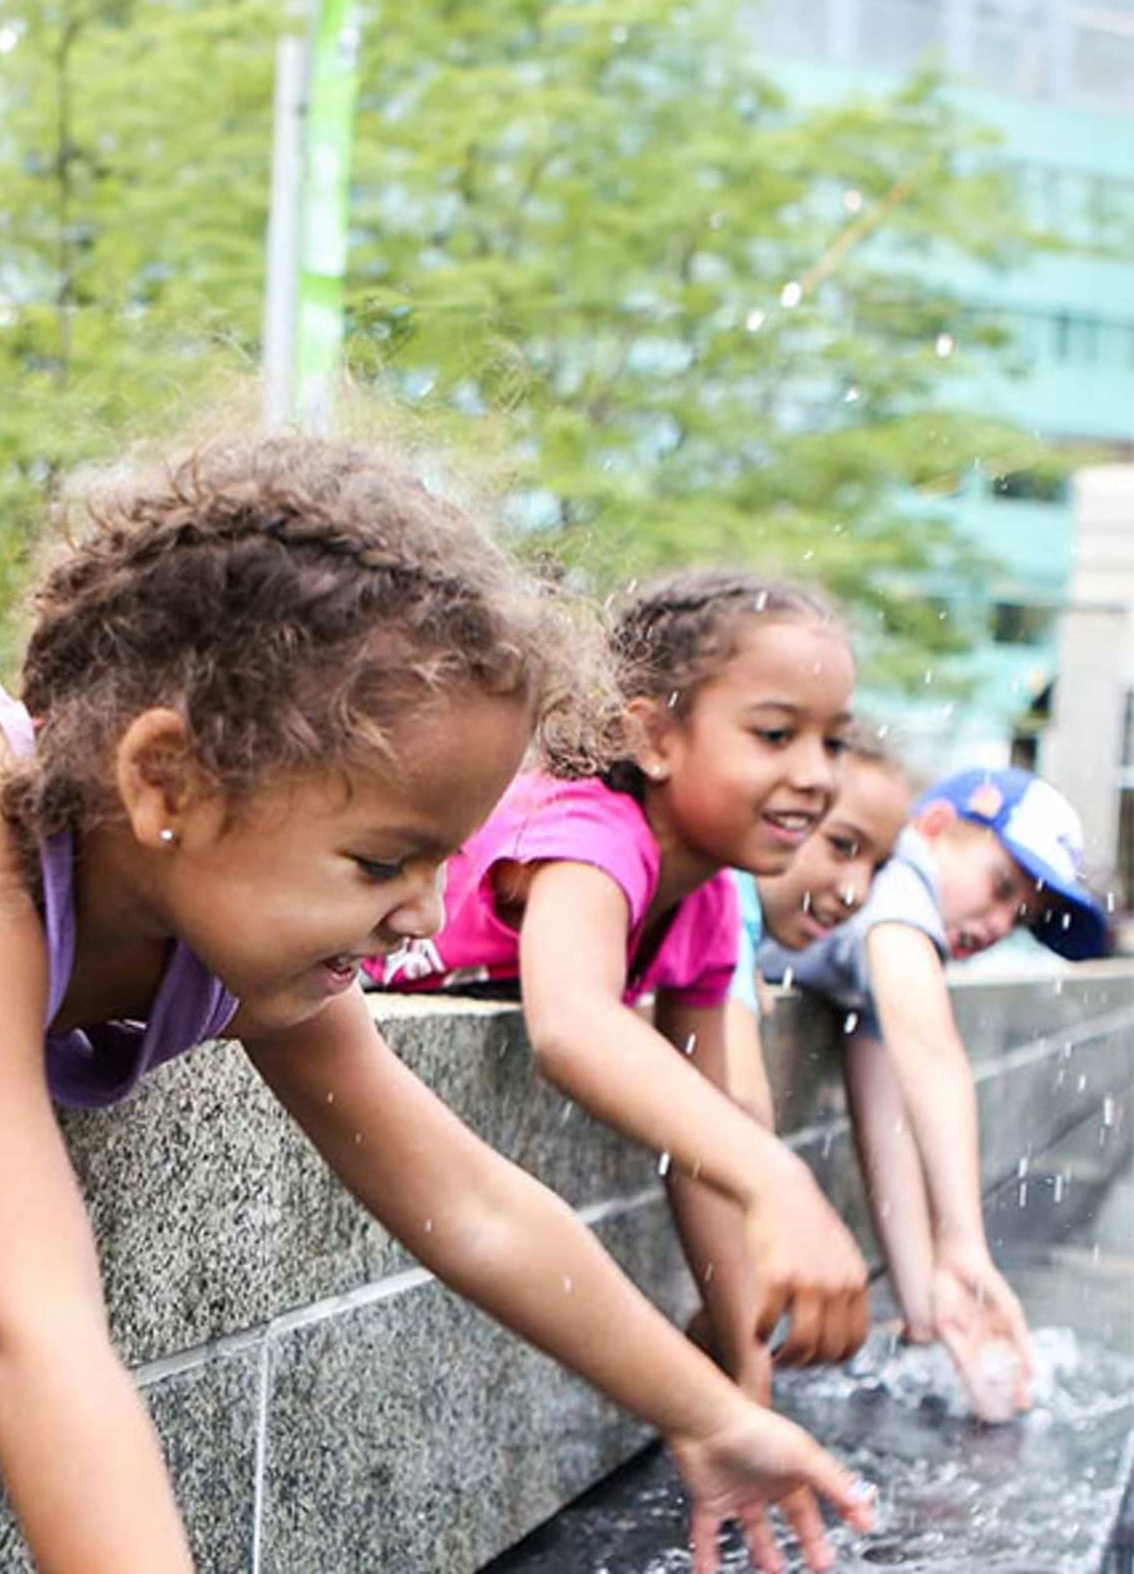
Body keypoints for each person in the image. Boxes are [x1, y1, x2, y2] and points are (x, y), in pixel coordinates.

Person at [0, 440, 874, 1574]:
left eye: (439, 859)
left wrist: (704, 1411)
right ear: (167, 777)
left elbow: (465, 1197)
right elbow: (26, 1319)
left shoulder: (223, 898)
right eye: (380, 859)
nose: (422, 912)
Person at [368, 568, 872, 1406]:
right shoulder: (589, 833)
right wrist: (779, 1177)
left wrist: (744, 1379)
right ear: (654, 736)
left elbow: (703, 1137)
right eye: (777, 734)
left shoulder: (708, 895)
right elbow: (570, 1025)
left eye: (835, 741)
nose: (819, 774)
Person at [781, 762, 1109, 1421]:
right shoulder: (897, 871)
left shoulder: (881, 946)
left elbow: (888, 1123)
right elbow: (931, 1051)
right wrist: (965, 1243)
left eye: (1020, 916)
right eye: (1000, 886)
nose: (997, 923)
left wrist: (927, 1309)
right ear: (933, 825)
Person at [722, 731, 914, 1132]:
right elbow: (739, 1102)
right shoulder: (725, 896)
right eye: (842, 845)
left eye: (878, 868)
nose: (857, 892)